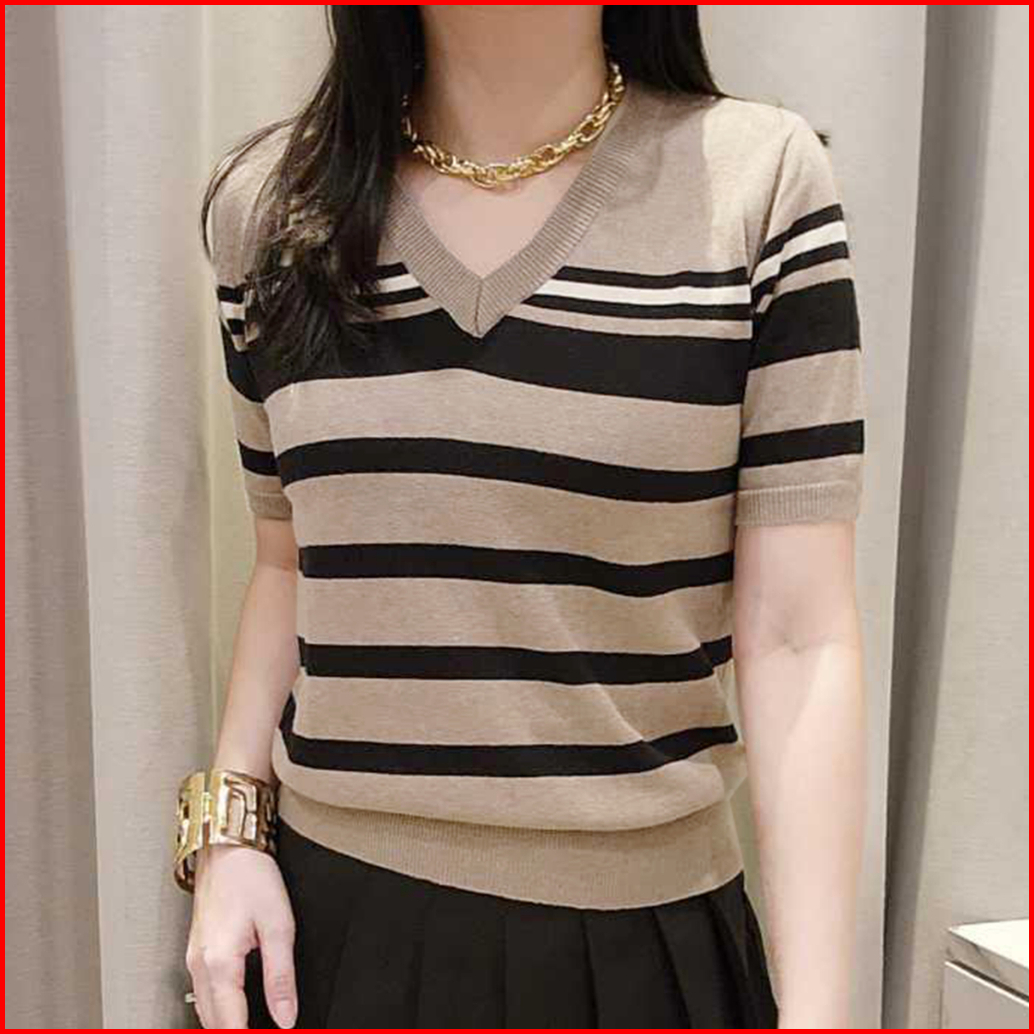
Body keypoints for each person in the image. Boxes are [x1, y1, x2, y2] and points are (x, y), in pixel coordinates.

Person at [178, 5, 867, 1029]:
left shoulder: (754, 183)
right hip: (330, 938)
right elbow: (289, 563)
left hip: (639, 948)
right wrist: (228, 831)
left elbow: (799, 636)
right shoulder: (274, 206)